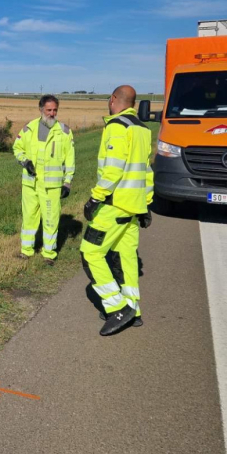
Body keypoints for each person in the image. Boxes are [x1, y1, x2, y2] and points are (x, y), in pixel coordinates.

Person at [80, 85, 153, 336]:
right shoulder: (142, 129)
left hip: (113, 205)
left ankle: (117, 308)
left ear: (113, 100)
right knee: (126, 258)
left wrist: (94, 199)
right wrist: (146, 204)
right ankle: (134, 309)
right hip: (134, 206)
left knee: (90, 252)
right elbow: (146, 171)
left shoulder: (116, 126)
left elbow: (113, 169)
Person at [13, 95, 76, 264]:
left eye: (55, 110)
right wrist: (25, 162)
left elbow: (70, 160)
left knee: (51, 219)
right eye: (49, 110)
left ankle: (49, 254)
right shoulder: (29, 129)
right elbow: (17, 149)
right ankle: (26, 251)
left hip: (52, 186)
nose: (52, 113)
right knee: (29, 218)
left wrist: (67, 182)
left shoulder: (64, 132)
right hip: (30, 184)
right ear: (40, 109)